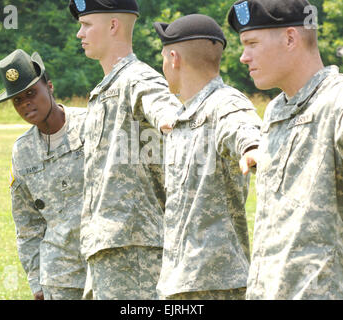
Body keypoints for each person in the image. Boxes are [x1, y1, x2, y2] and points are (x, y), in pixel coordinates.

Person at [228, 0, 343, 299]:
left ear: (291, 38)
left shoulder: (336, 103)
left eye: (252, 43)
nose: (243, 57)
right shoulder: (277, 110)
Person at [68, 0, 181, 299]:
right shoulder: (106, 88)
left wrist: (172, 121)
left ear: (113, 25)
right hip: (108, 250)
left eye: (87, 24)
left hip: (135, 251)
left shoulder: (137, 78)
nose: (80, 33)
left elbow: (164, 106)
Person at [153, 14, 262, 300]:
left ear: (174, 58)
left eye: (164, 57)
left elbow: (242, 127)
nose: (162, 66)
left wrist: (252, 148)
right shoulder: (183, 116)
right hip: (180, 282)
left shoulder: (224, 103)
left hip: (215, 284)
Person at [0, 49, 87, 300]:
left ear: (50, 87)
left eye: (31, 93)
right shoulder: (22, 151)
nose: (25, 104)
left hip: (108, 268)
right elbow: (27, 224)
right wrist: (36, 282)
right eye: (17, 100)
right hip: (60, 278)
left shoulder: (91, 126)